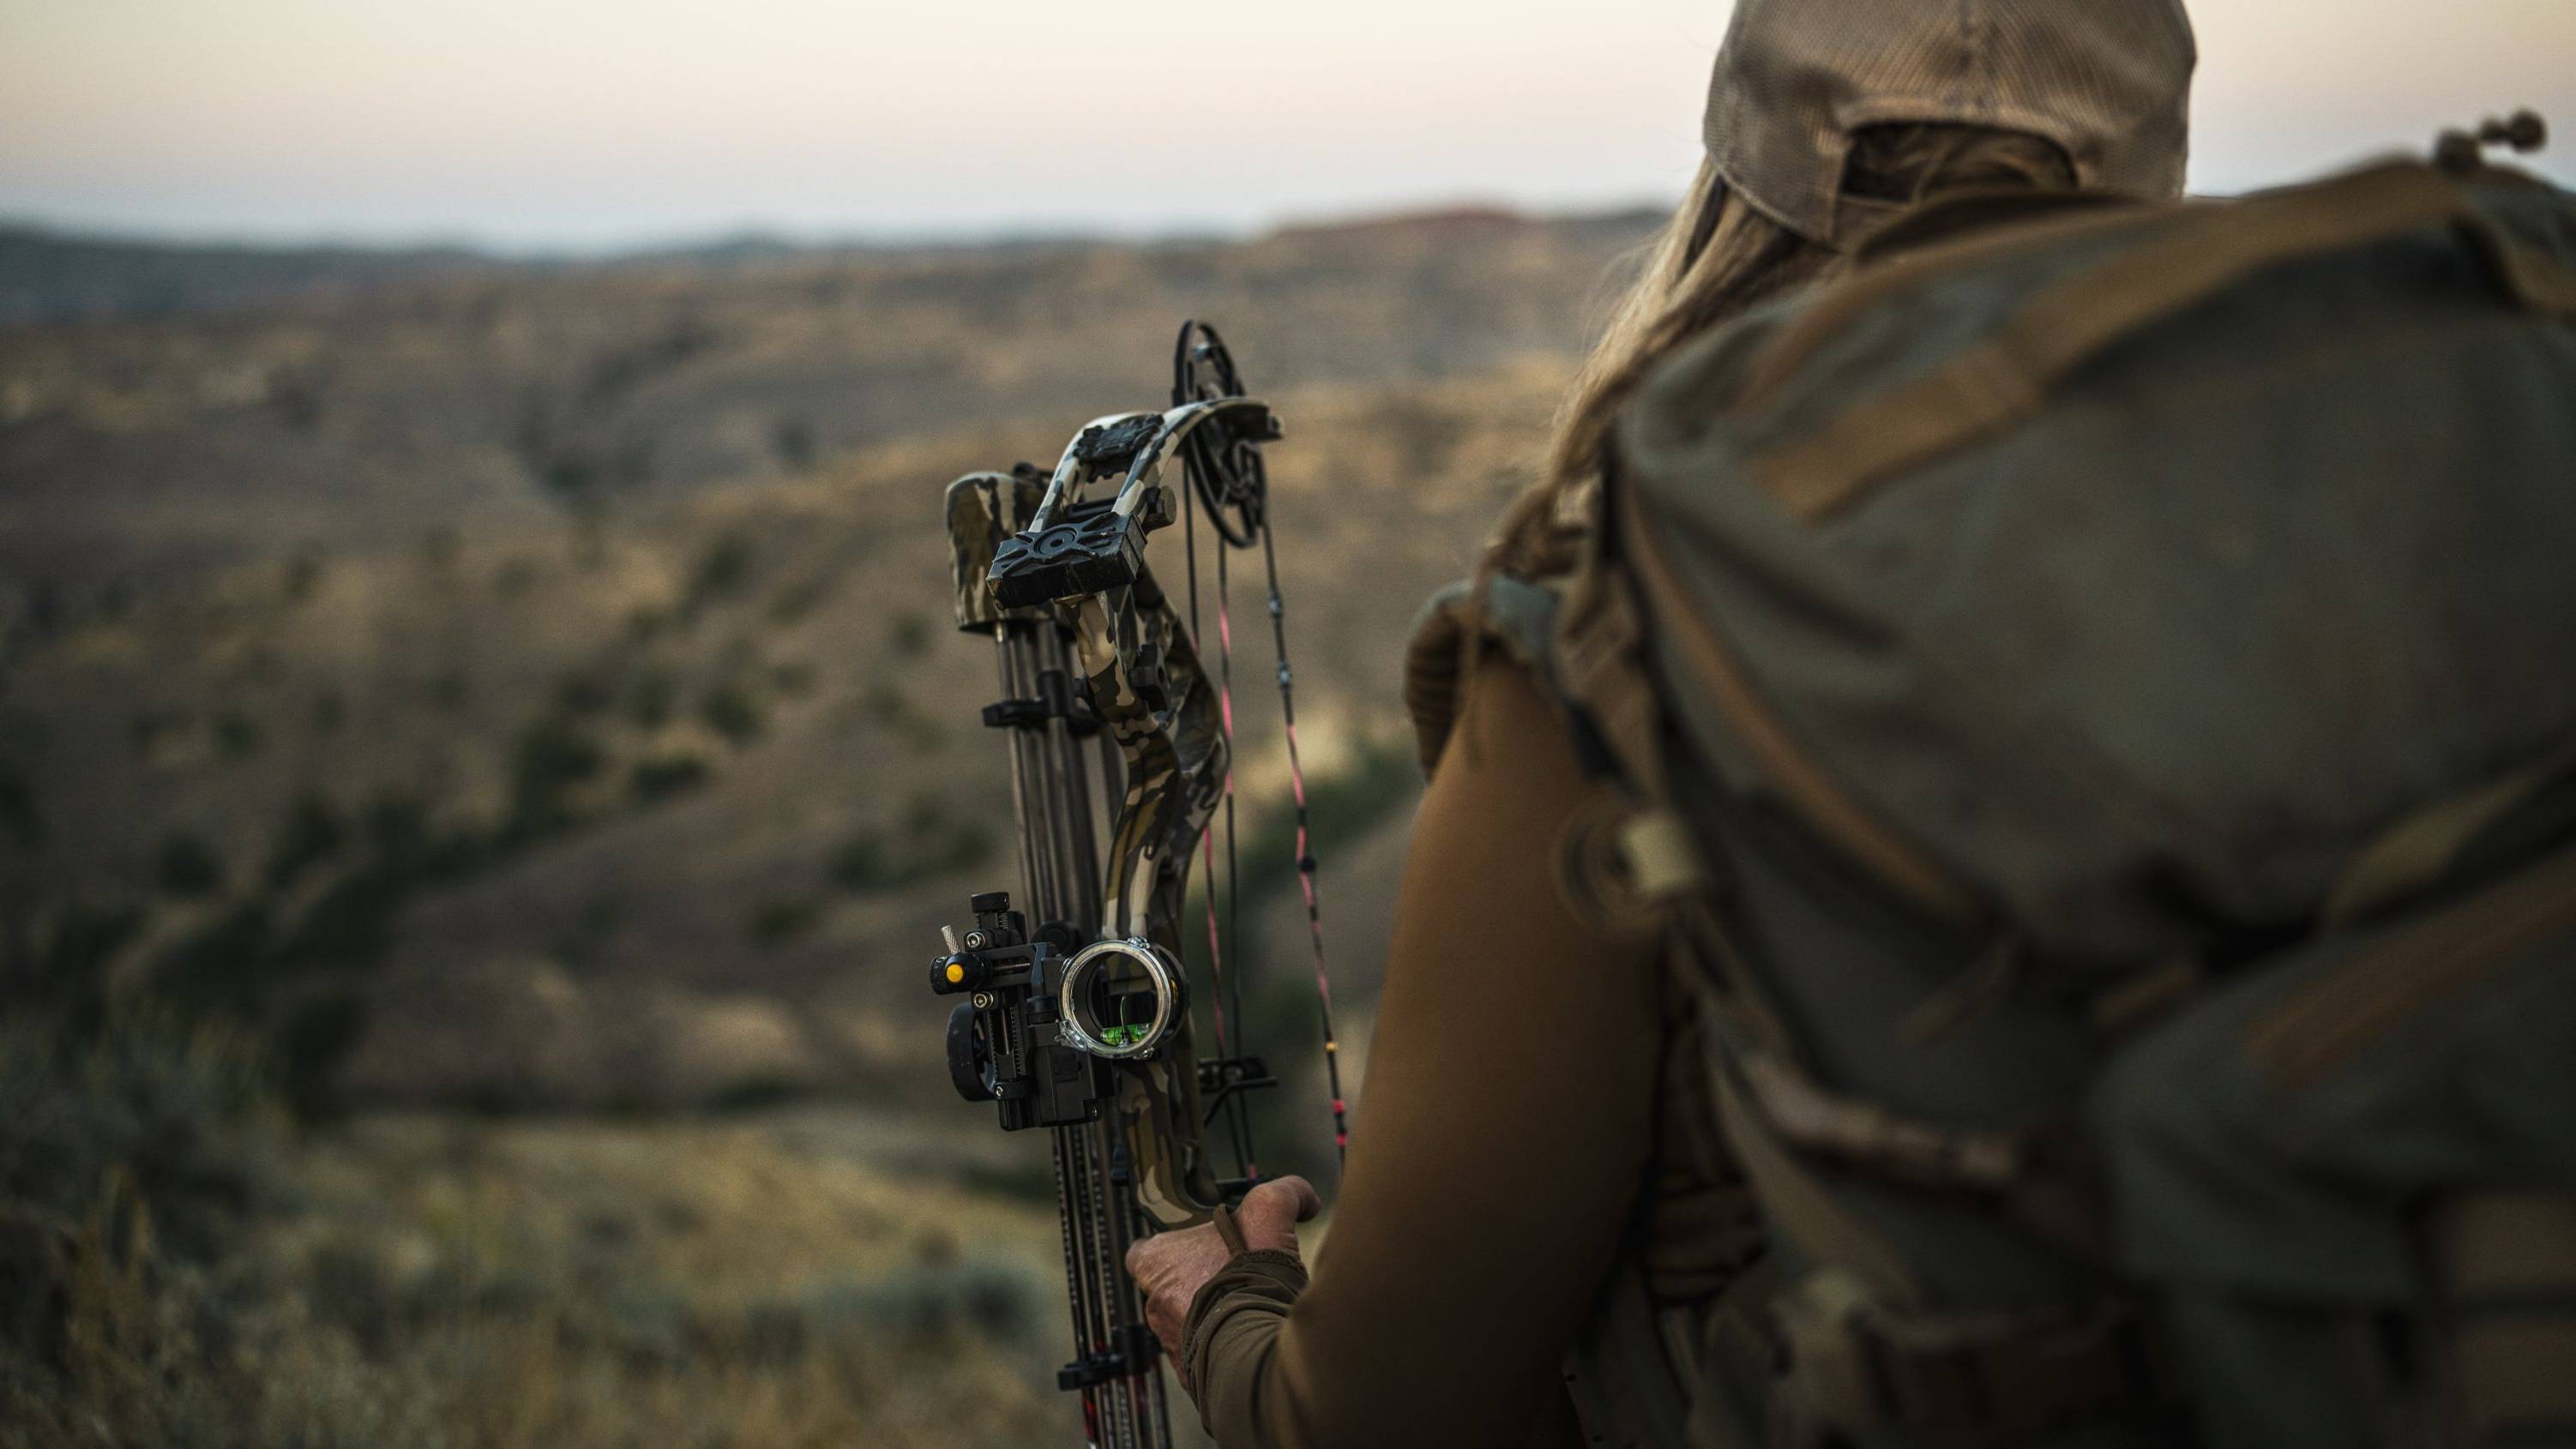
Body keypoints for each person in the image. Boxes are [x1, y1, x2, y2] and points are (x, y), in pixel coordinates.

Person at [1124, 2, 2199, 1446]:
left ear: (1733, 215)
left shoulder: (1611, 662)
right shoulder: (2378, 580)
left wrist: (1230, 1308)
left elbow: (1380, 1418)